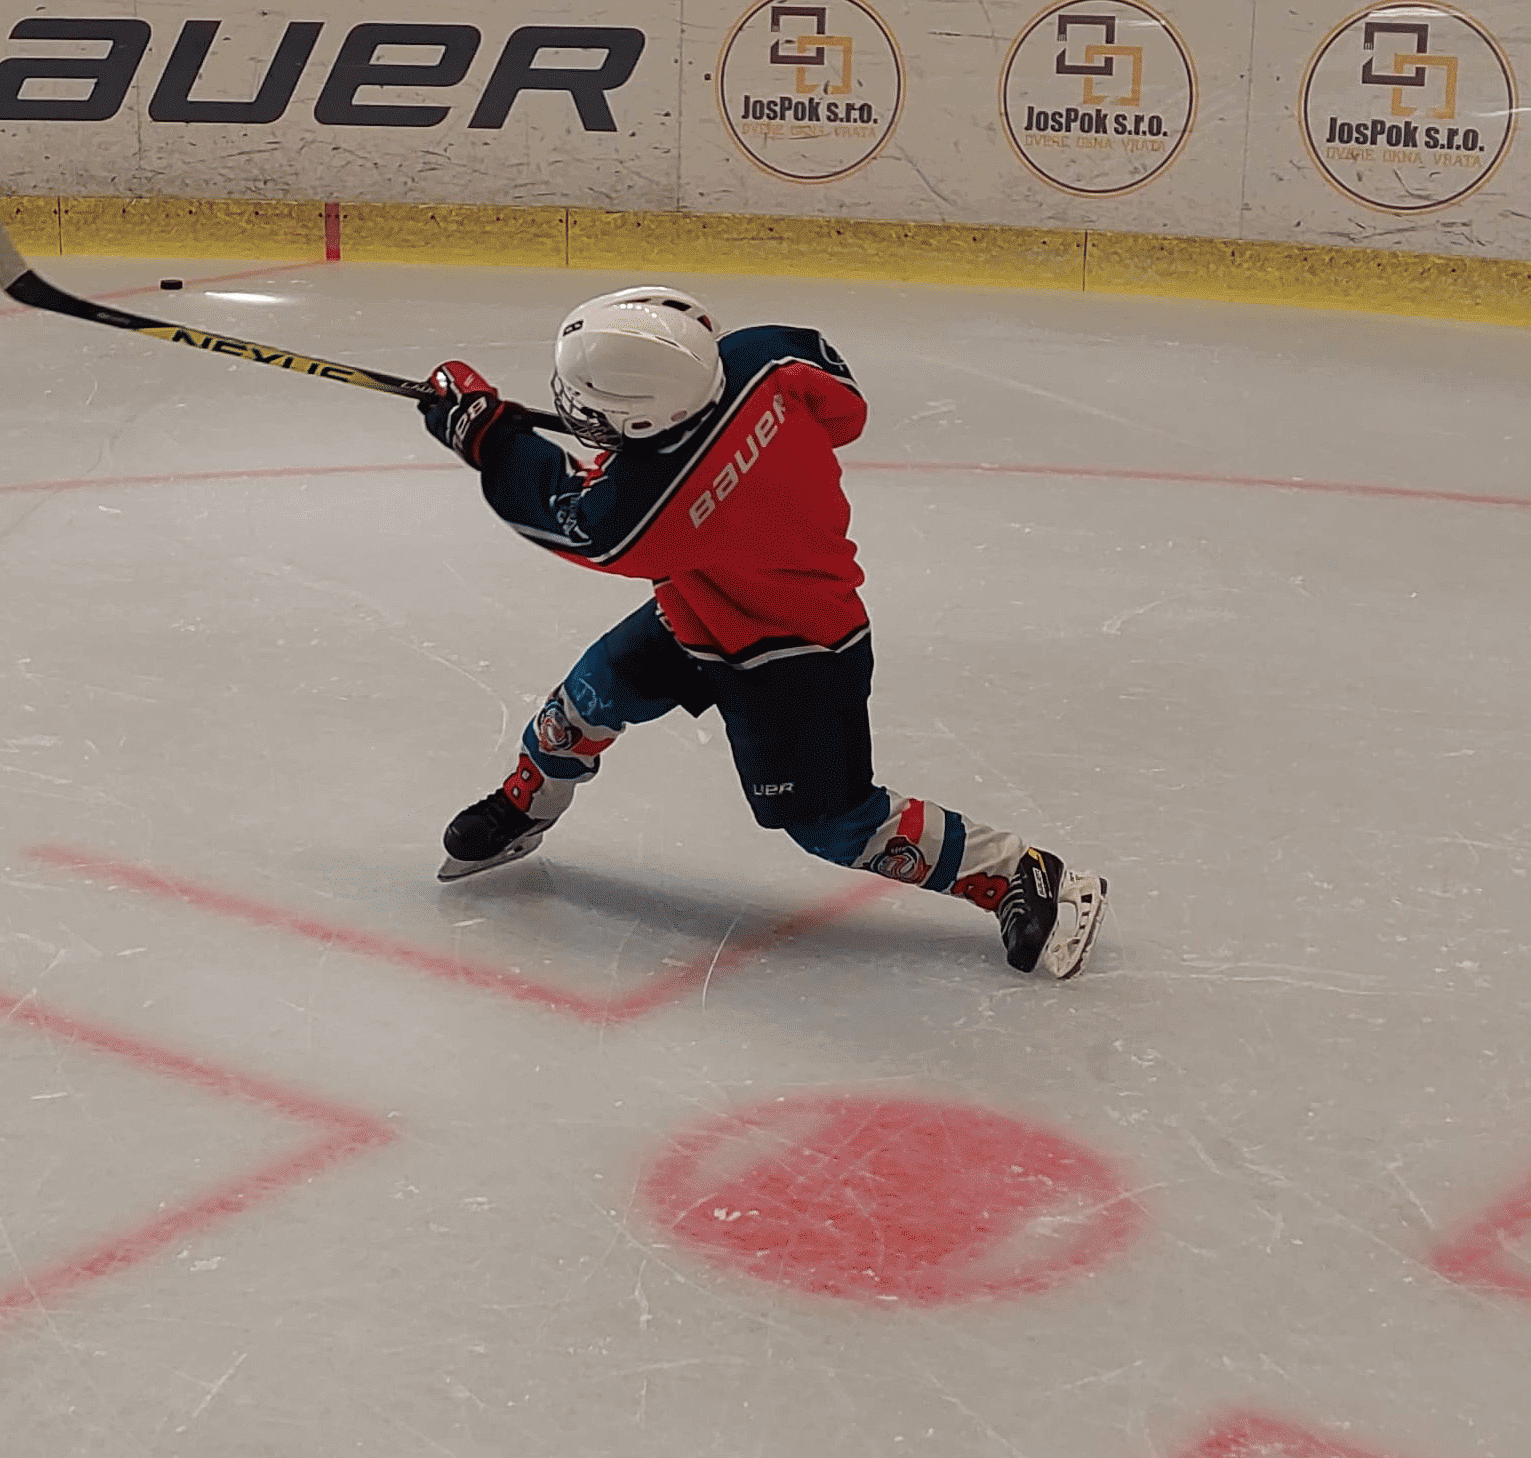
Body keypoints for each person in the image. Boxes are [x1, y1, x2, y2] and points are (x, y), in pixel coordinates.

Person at [414, 287, 1107, 978]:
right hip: (704, 607)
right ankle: (526, 807)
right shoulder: (764, 356)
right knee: (585, 701)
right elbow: (845, 407)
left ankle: (1022, 871)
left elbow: (571, 515)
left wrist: (487, 435)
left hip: (795, 651)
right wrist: (705, 452)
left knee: (835, 824)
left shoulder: (650, 511)